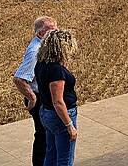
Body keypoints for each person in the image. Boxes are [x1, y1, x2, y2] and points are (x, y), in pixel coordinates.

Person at [13, 16, 58, 166]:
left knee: (48, 134)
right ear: (40, 33)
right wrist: (32, 97)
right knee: (43, 135)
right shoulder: (35, 51)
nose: (56, 31)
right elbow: (19, 78)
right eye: (52, 29)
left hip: (43, 96)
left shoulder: (45, 46)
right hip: (39, 99)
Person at [35, 29, 78, 166]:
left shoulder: (41, 64)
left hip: (46, 114)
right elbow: (58, 101)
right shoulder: (56, 71)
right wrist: (69, 125)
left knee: (51, 155)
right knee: (65, 159)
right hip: (59, 117)